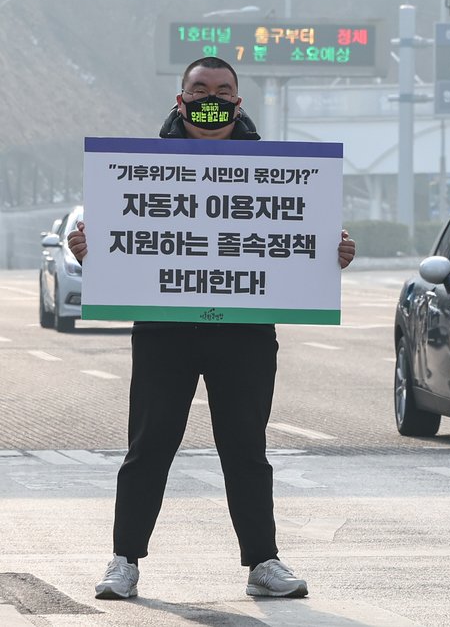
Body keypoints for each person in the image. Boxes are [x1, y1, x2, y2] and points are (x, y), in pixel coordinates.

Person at [73, 57, 358, 601]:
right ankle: (124, 559)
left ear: (238, 101)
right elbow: (126, 247)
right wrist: (90, 253)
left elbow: (301, 247)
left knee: (246, 448)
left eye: (222, 89)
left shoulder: (277, 170)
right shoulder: (141, 166)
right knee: (150, 445)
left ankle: (263, 562)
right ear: (179, 101)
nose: (212, 97)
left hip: (246, 330)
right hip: (165, 329)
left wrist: (333, 254)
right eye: (200, 89)